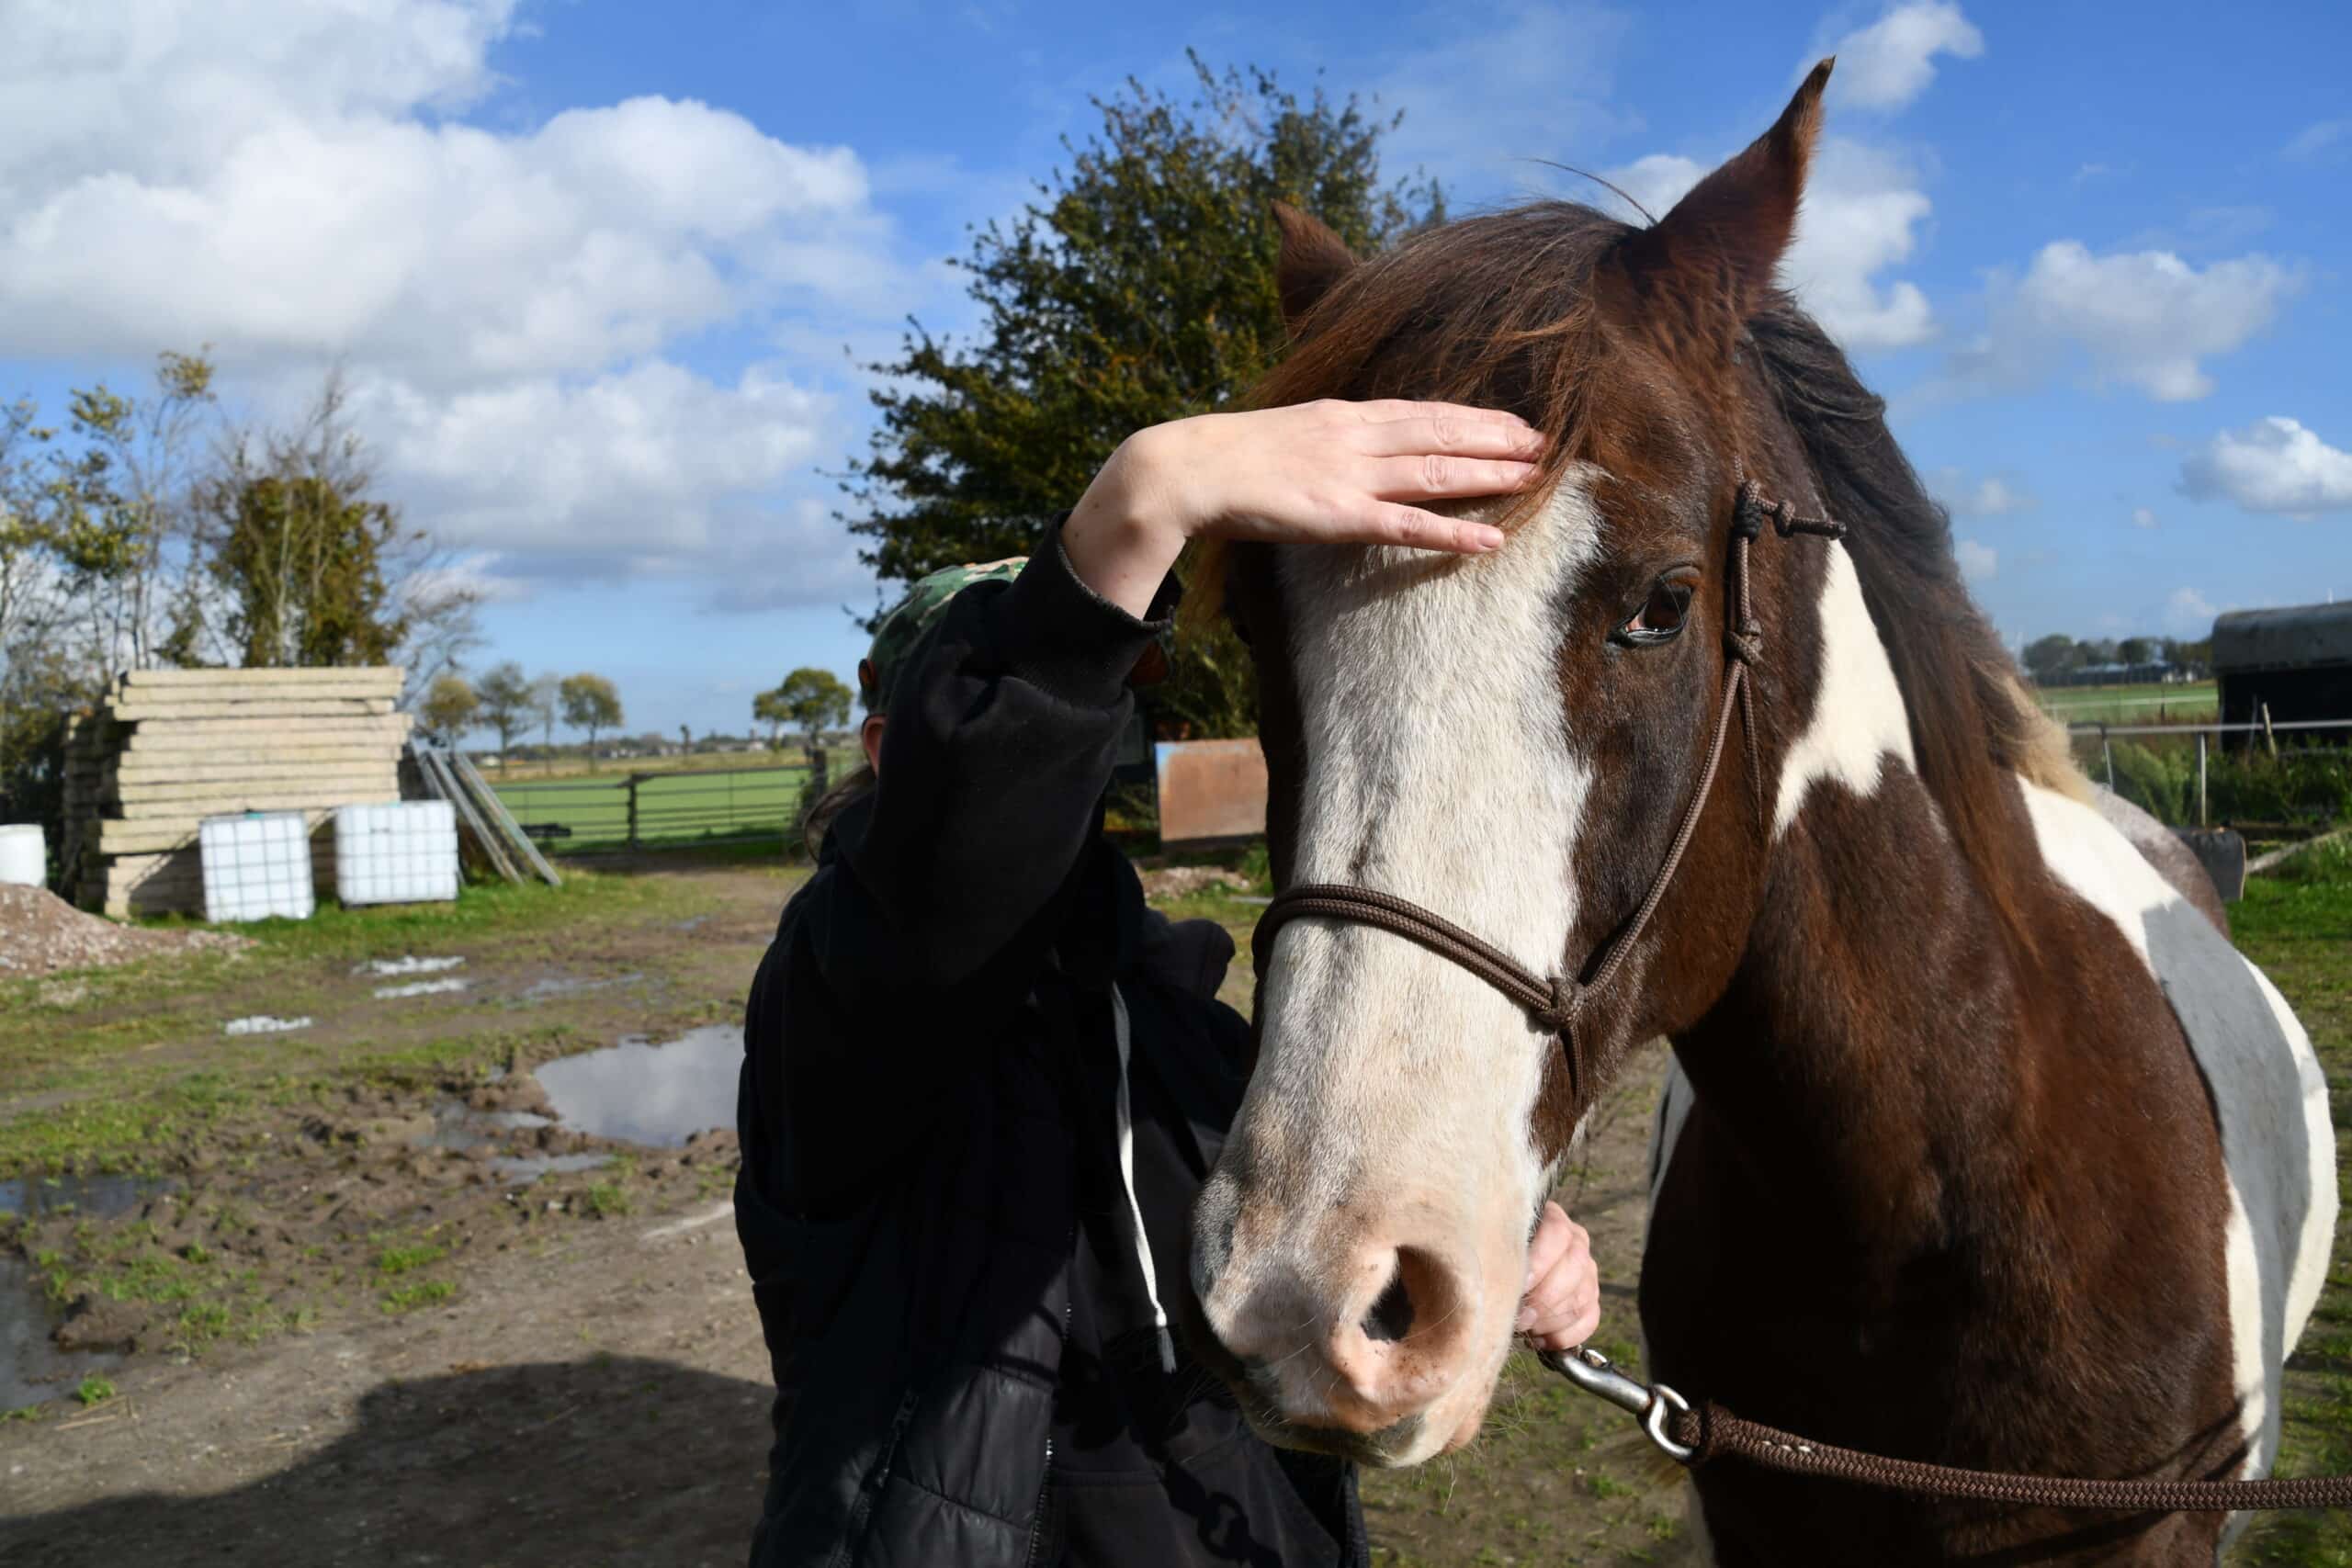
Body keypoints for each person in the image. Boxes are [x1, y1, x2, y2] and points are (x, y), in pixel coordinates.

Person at [735, 398, 1604, 1568]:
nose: (1086, 738)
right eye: (1044, 701)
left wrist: (1511, 1242)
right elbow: (958, 861)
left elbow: (1314, 1221)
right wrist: (1145, 497)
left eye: (1108, 698)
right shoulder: (843, 991)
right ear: (895, 751)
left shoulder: (1166, 1001)